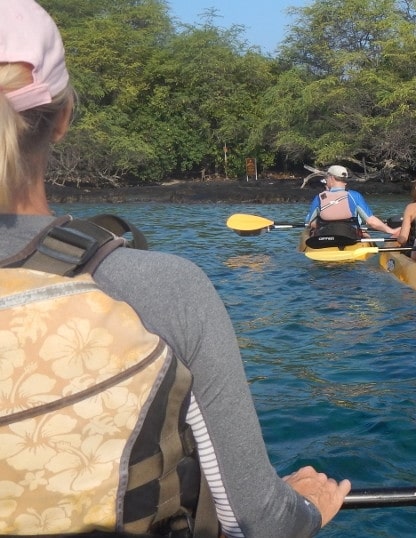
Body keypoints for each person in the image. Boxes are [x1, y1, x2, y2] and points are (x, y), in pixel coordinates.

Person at [0, 1, 348, 536]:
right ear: (63, 117)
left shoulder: (317, 203)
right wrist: (303, 508)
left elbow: (309, 223)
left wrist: (309, 234)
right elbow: (256, 520)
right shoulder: (160, 287)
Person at [304, 164, 398, 243]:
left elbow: (310, 222)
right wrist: (391, 230)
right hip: (349, 239)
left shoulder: (319, 198)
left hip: (324, 240)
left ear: (331, 178)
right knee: (365, 234)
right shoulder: (354, 196)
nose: (326, 180)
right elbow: (371, 221)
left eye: (327, 177)